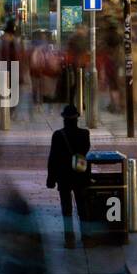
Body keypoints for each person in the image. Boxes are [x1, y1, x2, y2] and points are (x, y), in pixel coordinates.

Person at [46, 103, 91, 247]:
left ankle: (69, 239)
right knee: (82, 208)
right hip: (80, 174)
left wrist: (51, 179)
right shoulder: (84, 134)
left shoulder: (58, 135)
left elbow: (53, 158)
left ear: (64, 119)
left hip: (64, 176)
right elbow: (85, 151)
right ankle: (86, 237)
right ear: (77, 118)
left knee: (66, 210)